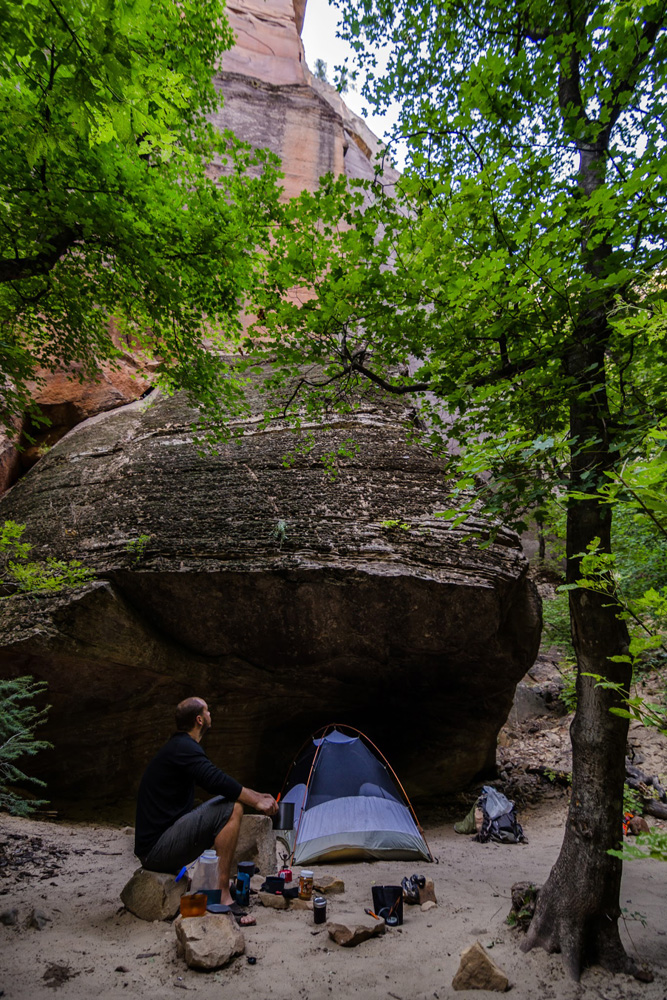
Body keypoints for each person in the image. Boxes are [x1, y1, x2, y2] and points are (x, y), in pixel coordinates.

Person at [134, 696, 277, 920]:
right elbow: (215, 779)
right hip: (157, 851)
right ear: (199, 719)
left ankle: (214, 881)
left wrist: (257, 795)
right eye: (208, 711)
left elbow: (214, 781)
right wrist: (256, 800)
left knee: (219, 804)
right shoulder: (183, 747)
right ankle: (221, 893)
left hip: (159, 845)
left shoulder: (179, 747)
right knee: (232, 806)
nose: (211, 715)